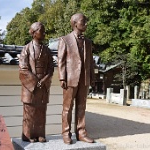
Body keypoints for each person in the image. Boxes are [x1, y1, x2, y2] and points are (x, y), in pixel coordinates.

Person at [57, 13, 95, 144]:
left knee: (82, 106)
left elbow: (90, 62)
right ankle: (66, 133)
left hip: (84, 79)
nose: (86, 24)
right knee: (67, 107)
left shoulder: (88, 42)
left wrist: (92, 77)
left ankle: (81, 132)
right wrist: (62, 78)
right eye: (83, 21)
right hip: (70, 79)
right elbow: (60, 61)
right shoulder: (65, 40)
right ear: (75, 23)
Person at [19, 22, 54, 143]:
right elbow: (23, 68)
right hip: (30, 87)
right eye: (41, 31)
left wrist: (44, 80)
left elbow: (51, 68)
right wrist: (35, 81)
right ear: (34, 33)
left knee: (41, 111)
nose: (44, 33)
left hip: (43, 85)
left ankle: (40, 134)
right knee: (30, 111)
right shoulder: (26, 49)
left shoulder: (47, 50)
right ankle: (28, 135)